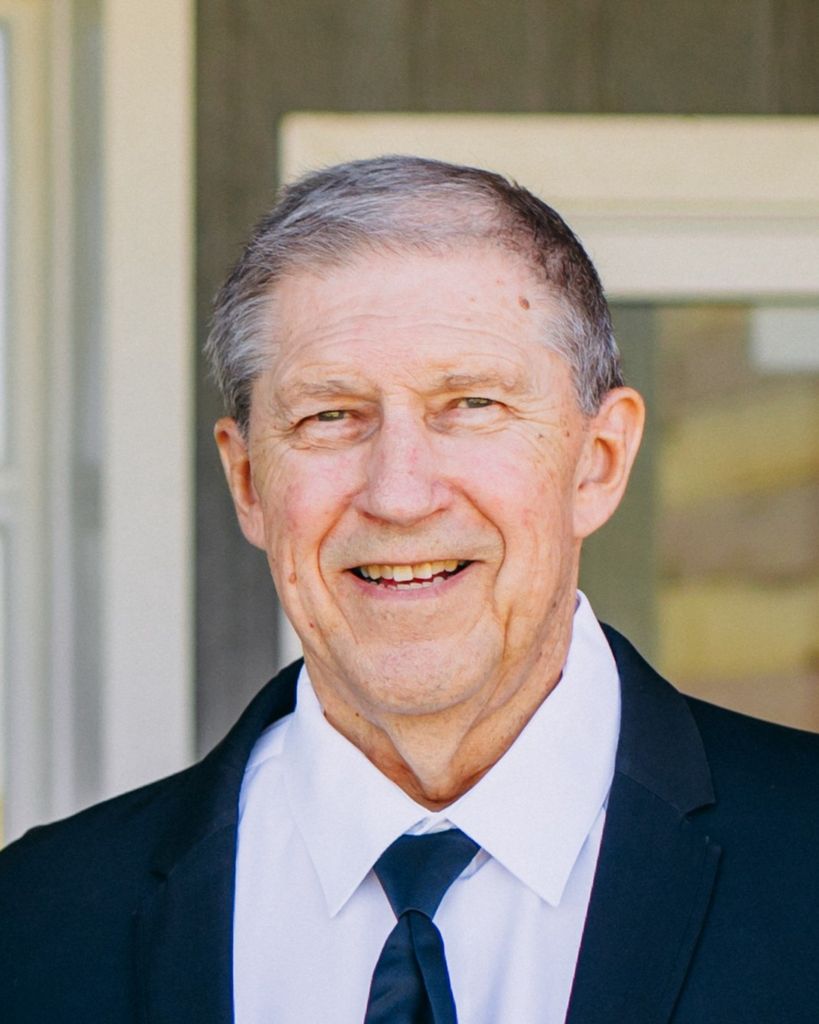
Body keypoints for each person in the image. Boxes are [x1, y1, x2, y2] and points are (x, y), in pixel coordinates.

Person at [1, 156, 817, 1024]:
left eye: (471, 405)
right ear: (247, 482)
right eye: (329, 415)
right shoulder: (37, 921)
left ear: (598, 461)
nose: (398, 494)